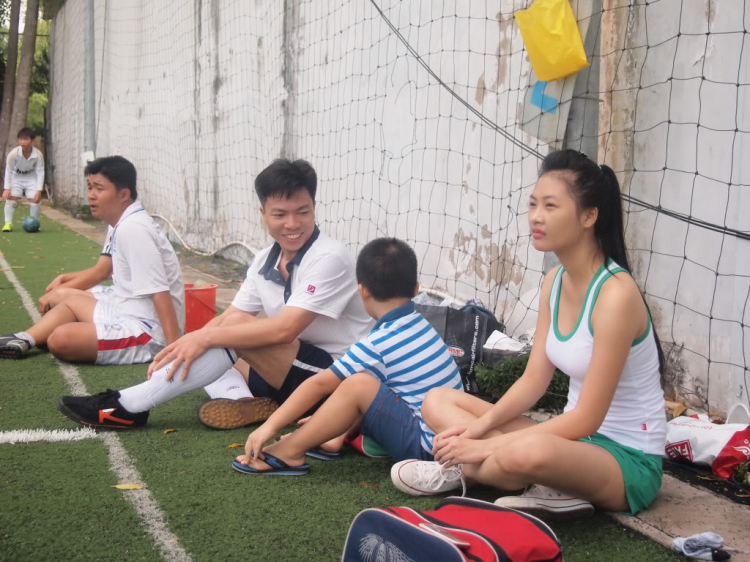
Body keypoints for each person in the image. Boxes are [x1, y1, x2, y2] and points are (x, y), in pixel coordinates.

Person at [390, 149, 666, 522]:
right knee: (437, 401)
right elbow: (534, 380)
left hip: (625, 459)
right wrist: (478, 432)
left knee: (527, 452)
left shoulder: (616, 295)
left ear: (589, 216)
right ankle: (552, 488)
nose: (536, 217)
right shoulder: (554, 282)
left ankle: (463, 471)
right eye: (533, 204)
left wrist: (480, 448)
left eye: (550, 206)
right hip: (573, 443)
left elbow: (587, 417)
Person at [56, 158, 373, 430]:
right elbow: (234, 314)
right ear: (262, 213)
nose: (292, 224)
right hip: (292, 370)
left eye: (302, 212)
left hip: (336, 379)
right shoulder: (265, 259)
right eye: (280, 214)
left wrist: (204, 339)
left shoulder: (329, 256)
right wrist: (185, 346)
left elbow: (284, 329)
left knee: (229, 339)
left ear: (314, 207)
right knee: (216, 352)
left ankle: (130, 406)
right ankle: (247, 404)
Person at [232, 237, 463, 475]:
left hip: (430, 449)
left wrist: (269, 426)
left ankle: (289, 450)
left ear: (361, 290)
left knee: (358, 385)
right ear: (416, 288)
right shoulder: (420, 325)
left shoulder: (377, 344)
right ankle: (330, 436)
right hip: (450, 439)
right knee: (367, 379)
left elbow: (319, 385)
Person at [0, 156, 184, 365]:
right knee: (68, 301)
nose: (91, 196)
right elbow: (105, 270)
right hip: (126, 307)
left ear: (123, 194)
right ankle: (25, 339)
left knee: (61, 339)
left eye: (99, 189)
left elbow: (160, 291)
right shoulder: (121, 222)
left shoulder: (133, 229)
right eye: (89, 187)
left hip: (148, 331)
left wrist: (173, 349)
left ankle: (61, 335)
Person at [3, 127, 45, 232]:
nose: (23, 142)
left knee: (36, 199)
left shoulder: (38, 155)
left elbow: (40, 172)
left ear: (32, 140)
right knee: (11, 197)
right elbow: (8, 171)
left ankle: (34, 222)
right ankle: (8, 223)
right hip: (16, 178)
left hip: (31, 178)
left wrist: (39, 190)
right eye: (20, 139)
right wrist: (7, 188)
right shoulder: (13, 154)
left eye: (26, 139)